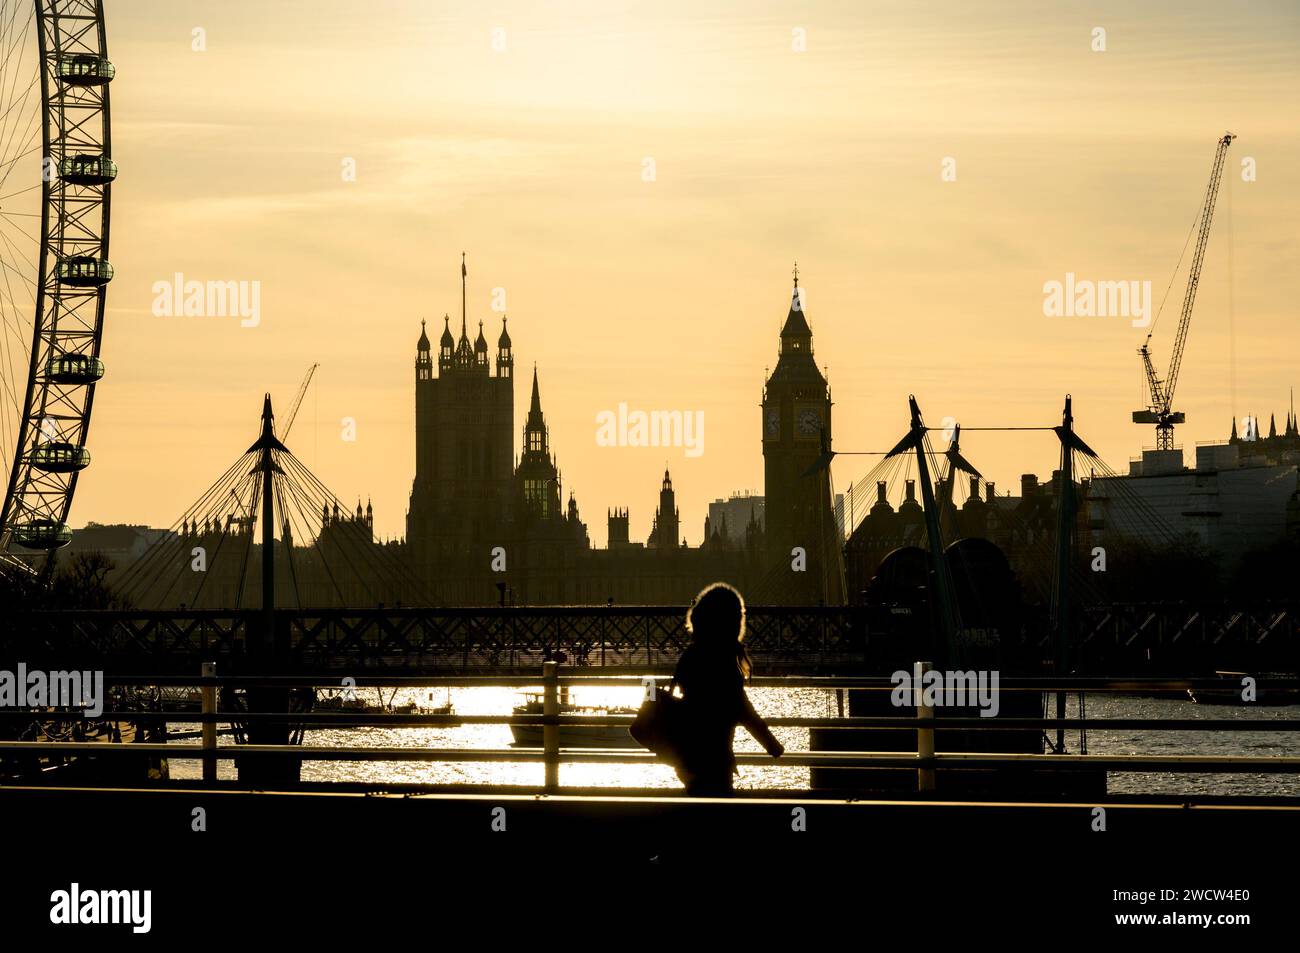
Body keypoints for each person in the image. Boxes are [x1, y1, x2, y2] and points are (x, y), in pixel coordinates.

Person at [672, 583, 784, 796]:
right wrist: (772, 745)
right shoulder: (722, 662)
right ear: (730, 622)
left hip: (688, 756)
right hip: (715, 758)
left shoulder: (691, 655)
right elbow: (740, 707)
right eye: (739, 615)